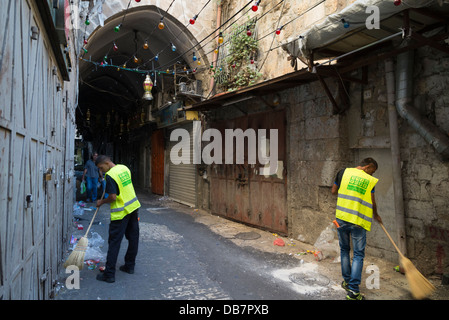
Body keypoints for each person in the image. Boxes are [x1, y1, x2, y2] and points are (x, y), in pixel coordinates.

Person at [331, 157, 382, 300]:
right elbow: (372, 201)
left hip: (341, 219)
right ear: (368, 166)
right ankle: (353, 291)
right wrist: (376, 214)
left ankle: (347, 282)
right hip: (358, 222)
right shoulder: (369, 180)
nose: (372, 174)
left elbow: (333, 191)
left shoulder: (343, 172)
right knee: (358, 254)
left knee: (345, 249)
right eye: (373, 171)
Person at [95, 155, 141, 283]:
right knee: (133, 238)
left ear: (106, 162)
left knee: (114, 242)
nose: (101, 171)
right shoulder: (124, 168)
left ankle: (109, 274)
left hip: (120, 213)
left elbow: (113, 197)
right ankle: (129, 266)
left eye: (101, 168)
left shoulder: (110, 176)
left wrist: (101, 202)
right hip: (132, 208)